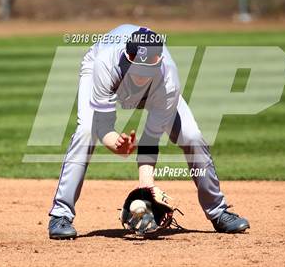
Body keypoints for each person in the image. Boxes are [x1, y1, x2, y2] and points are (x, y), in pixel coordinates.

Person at [48, 24, 249, 239]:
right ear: (127, 57)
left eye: (147, 71)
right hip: (101, 70)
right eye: (137, 70)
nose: (141, 78)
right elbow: (103, 126)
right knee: (86, 131)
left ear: (158, 62)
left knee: (192, 136)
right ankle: (61, 215)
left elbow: (151, 139)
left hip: (159, 90)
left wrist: (147, 190)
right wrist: (117, 144)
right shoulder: (104, 64)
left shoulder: (168, 79)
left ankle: (218, 212)